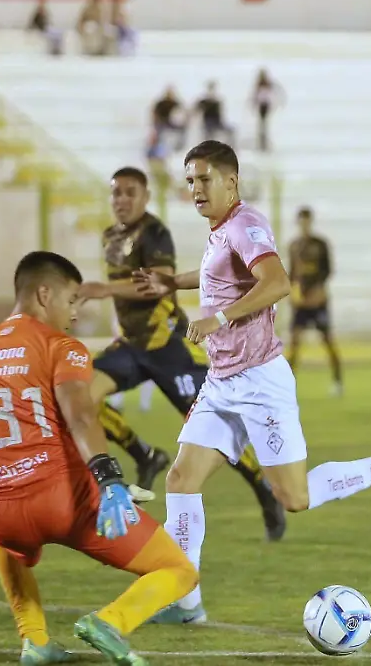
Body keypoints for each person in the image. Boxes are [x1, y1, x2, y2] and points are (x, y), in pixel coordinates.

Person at [134, 141, 371, 624]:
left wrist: (219, 318)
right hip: (221, 382)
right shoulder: (221, 229)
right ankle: (186, 602)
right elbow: (220, 275)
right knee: (181, 479)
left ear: (231, 181)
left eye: (204, 179)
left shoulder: (246, 223)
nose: (195, 188)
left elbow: (278, 282)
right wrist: (171, 283)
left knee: (295, 498)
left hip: (259, 382)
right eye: (190, 180)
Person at [0, 251, 198, 666]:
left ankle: (35, 641)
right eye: (71, 300)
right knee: (178, 570)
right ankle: (110, 622)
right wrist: (110, 481)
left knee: (9, 544)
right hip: (63, 500)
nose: (73, 314)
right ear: (43, 294)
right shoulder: (60, 346)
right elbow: (82, 415)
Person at [79, 167, 286, 539]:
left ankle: (261, 484)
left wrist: (105, 289)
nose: (121, 200)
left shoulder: (154, 233)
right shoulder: (111, 236)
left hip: (168, 347)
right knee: (80, 395)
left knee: (212, 427)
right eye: (116, 193)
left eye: (130, 192)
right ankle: (144, 454)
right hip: (132, 345)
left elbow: (156, 287)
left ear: (145, 197)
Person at [286, 206, 342, 396]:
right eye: (302, 221)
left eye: (307, 221)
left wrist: (315, 289)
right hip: (301, 303)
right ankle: (288, 386)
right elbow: (292, 273)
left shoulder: (320, 244)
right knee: (294, 343)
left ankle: (337, 381)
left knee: (327, 341)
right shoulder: (294, 246)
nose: (304, 225)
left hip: (318, 301)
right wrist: (292, 294)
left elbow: (327, 270)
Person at [250, 69, 283, 152]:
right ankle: (262, 143)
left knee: (263, 124)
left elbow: (263, 94)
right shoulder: (261, 84)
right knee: (262, 124)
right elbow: (256, 95)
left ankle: (263, 143)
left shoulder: (265, 84)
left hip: (265, 105)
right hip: (263, 105)